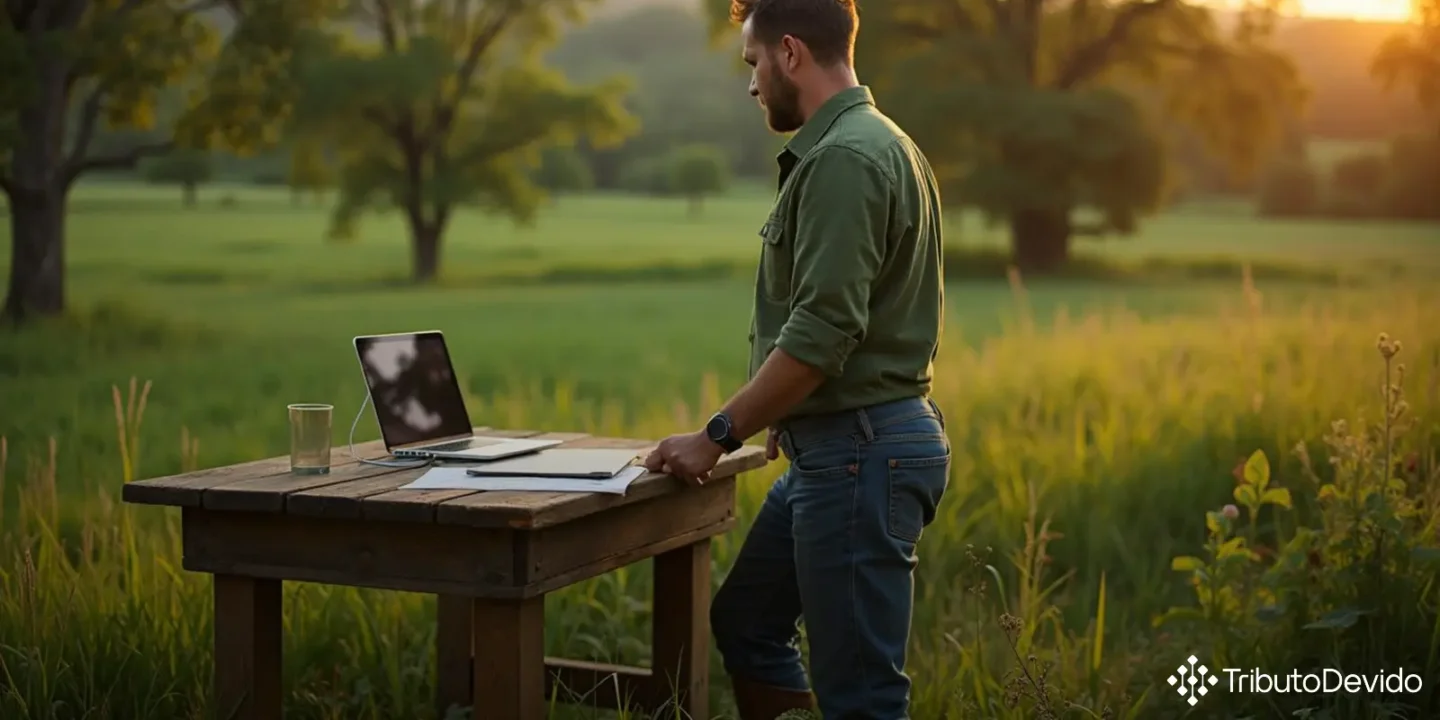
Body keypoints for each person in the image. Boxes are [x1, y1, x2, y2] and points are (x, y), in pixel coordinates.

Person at [641, 0, 950, 717]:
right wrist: (793, 411)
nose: (751, 86)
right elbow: (867, 315)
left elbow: (821, 332)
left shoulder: (844, 158)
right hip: (841, 443)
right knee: (748, 621)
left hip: (858, 453)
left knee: (862, 699)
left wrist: (717, 434)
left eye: (752, 64)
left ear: (789, 53)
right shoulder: (885, 141)